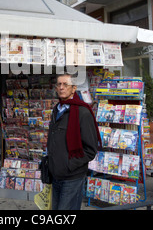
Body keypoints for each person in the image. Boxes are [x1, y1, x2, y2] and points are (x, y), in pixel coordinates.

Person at [47, 73, 101, 210]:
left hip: (72, 175)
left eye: (65, 84)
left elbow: (90, 149)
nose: (61, 87)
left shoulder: (83, 112)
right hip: (56, 173)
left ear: (74, 88)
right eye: (59, 84)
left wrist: (69, 164)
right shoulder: (57, 109)